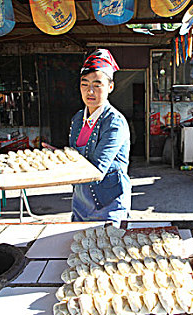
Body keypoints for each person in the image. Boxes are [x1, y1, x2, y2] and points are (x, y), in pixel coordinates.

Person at [44, 49, 131, 225]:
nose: (90, 91)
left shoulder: (115, 122)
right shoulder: (77, 119)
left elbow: (97, 169)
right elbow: (74, 154)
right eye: (85, 84)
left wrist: (57, 168)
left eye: (97, 85)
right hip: (80, 202)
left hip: (108, 203)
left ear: (110, 87)